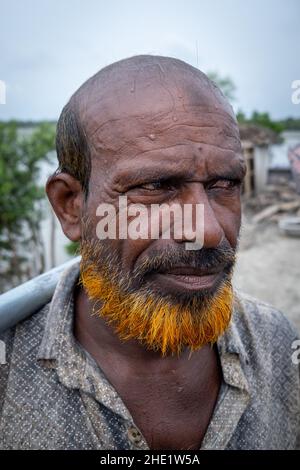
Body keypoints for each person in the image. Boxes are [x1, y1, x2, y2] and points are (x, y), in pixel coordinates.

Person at [0, 55, 299, 450]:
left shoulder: (280, 348)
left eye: (224, 184)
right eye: (155, 186)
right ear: (71, 205)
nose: (207, 231)